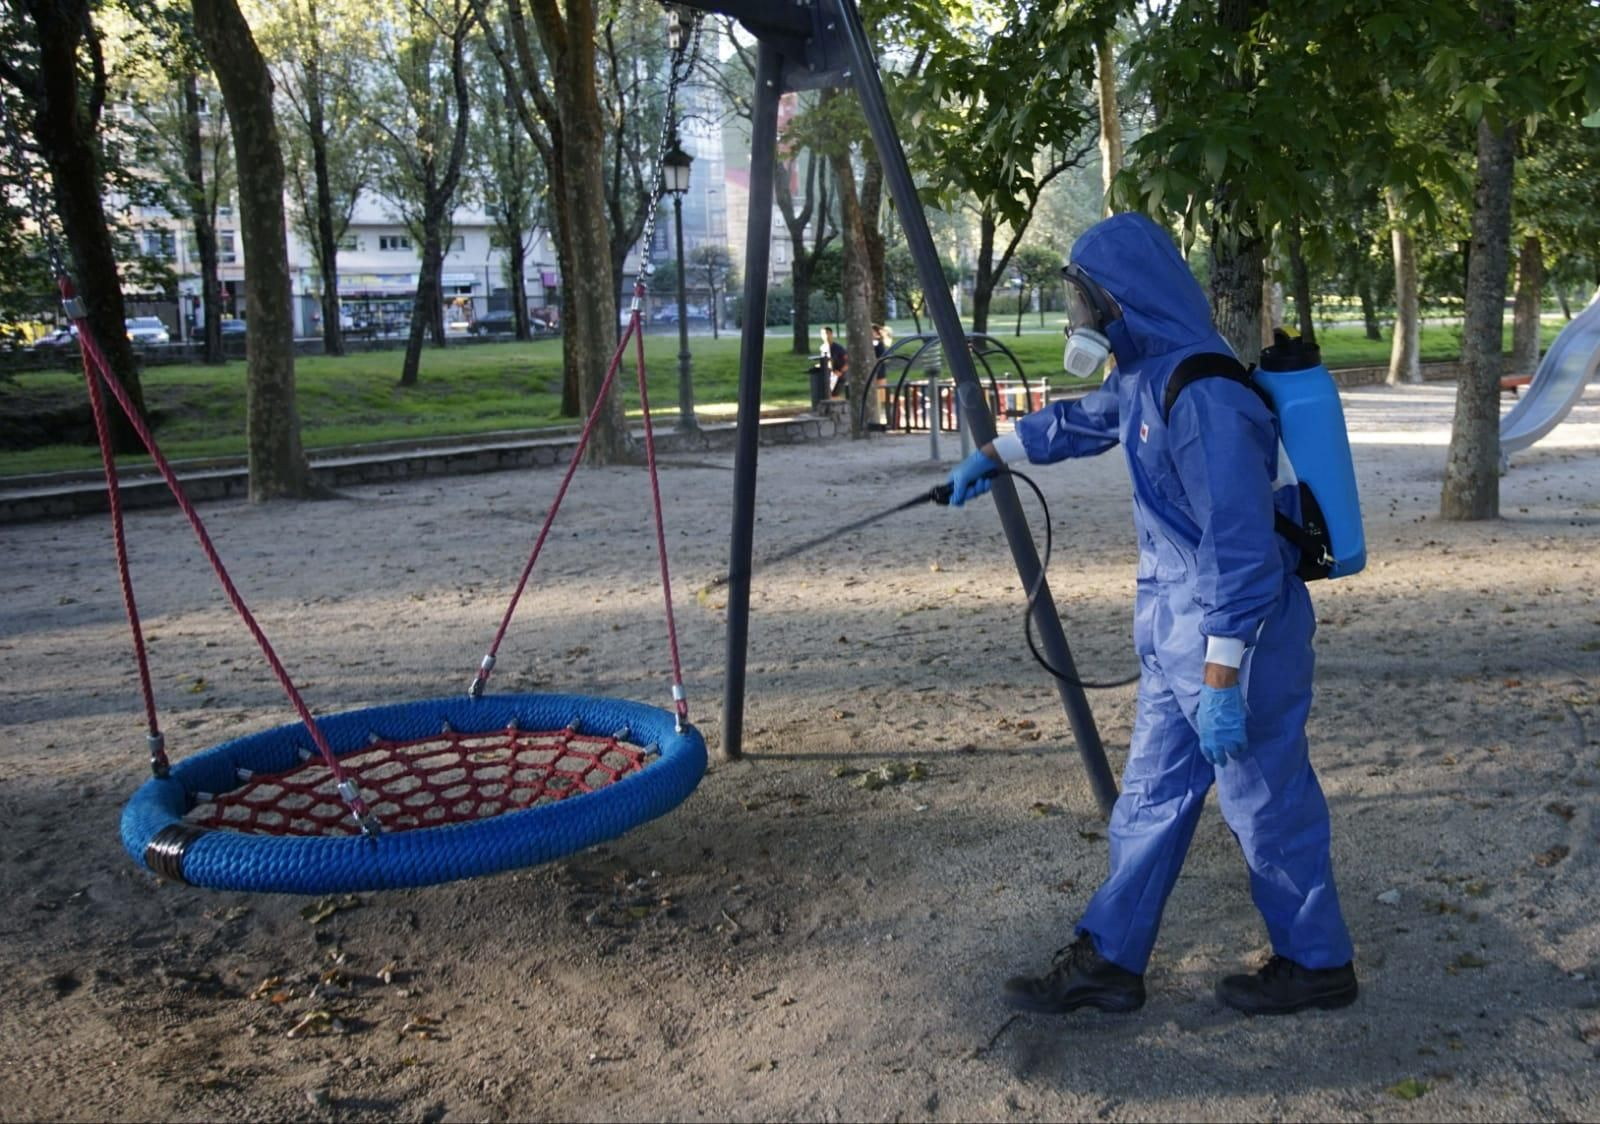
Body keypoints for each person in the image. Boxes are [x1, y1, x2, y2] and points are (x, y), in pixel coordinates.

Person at [945, 212, 1357, 1018]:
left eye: (1085, 301)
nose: (1080, 319)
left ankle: (1317, 964)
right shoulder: (1147, 372)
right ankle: (1110, 959)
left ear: (1123, 299)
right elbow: (1086, 420)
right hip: (1178, 642)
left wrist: (1222, 678)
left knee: (1266, 803)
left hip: (1238, 645)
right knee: (1150, 799)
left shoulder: (1206, 397)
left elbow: (1238, 553)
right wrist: (995, 455)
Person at [819, 326, 849, 397]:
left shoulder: (838, 348)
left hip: (839, 375)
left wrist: (840, 372)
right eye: (823, 334)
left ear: (831, 334)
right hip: (828, 375)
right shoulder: (822, 348)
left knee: (834, 395)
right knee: (827, 395)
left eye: (827, 333)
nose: (825, 336)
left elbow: (848, 362)